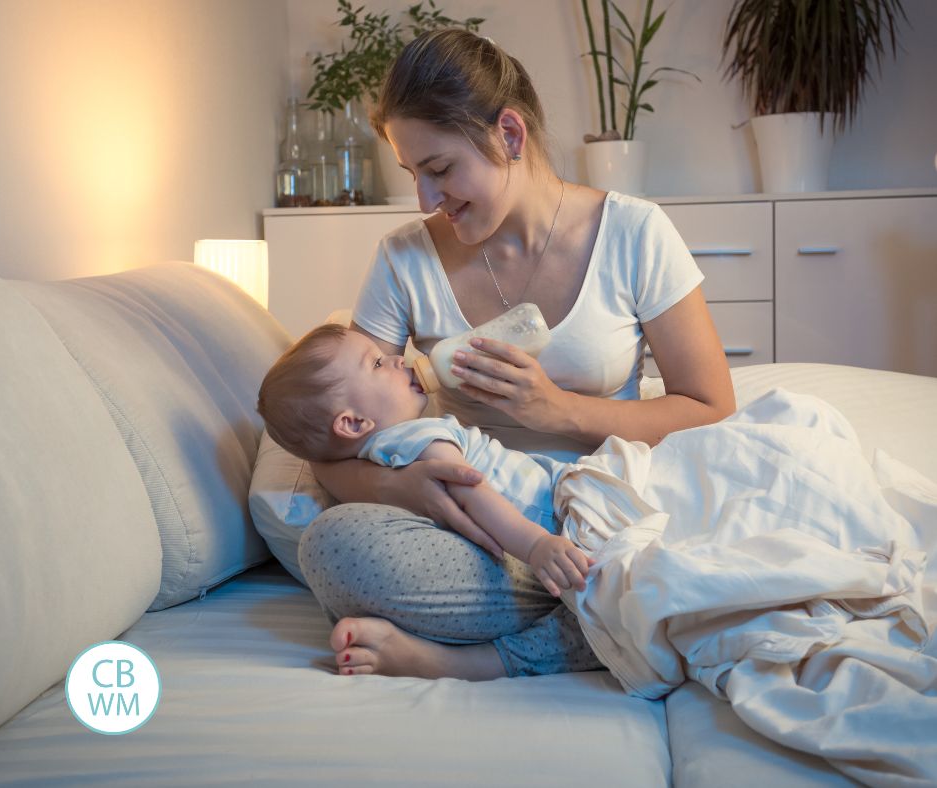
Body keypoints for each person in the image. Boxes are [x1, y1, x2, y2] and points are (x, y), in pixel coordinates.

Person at [301, 28, 736, 681]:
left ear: (508, 134)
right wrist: (406, 487)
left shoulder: (634, 233)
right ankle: (607, 618)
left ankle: (483, 652)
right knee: (331, 547)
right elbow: (334, 445)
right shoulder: (403, 259)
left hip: (601, 515)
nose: (425, 200)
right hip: (481, 532)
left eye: (440, 169)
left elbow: (711, 409)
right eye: (414, 174)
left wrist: (561, 411)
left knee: (700, 547)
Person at [257, 323, 594, 601]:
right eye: (377, 363)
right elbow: (470, 490)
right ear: (353, 423)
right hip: (558, 507)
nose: (398, 360)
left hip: (556, 501)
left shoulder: (383, 454)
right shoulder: (414, 438)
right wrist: (535, 545)